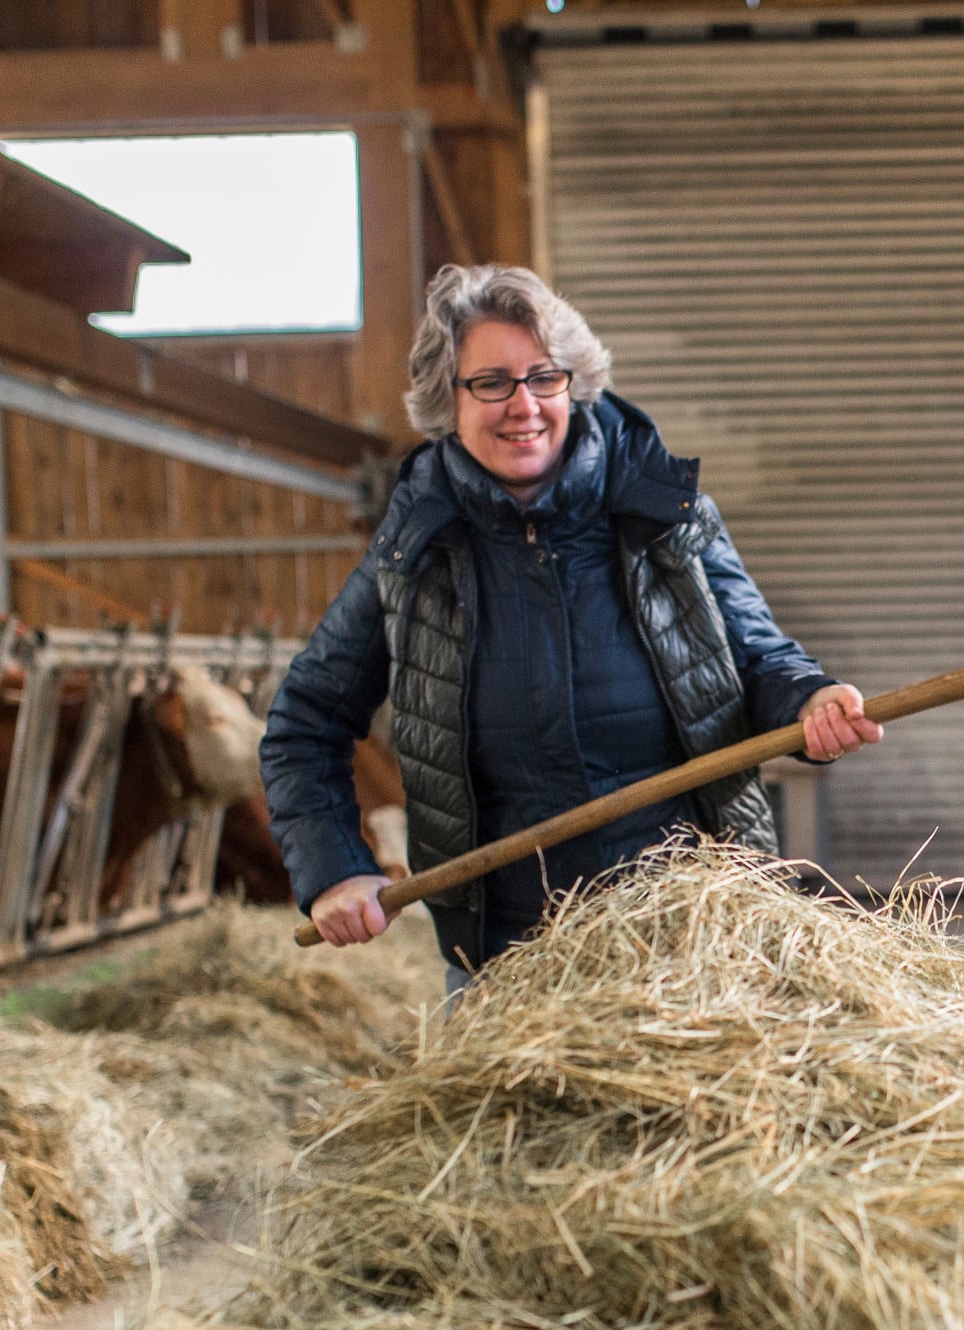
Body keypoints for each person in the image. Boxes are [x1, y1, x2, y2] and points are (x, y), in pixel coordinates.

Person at [261, 264, 879, 988]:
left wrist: (809, 700)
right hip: (509, 960)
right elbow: (304, 722)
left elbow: (758, 659)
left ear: (573, 384)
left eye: (543, 377)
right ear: (446, 398)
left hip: (696, 943)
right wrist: (337, 868)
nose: (523, 405)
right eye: (491, 382)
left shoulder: (661, 513)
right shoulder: (414, 550)